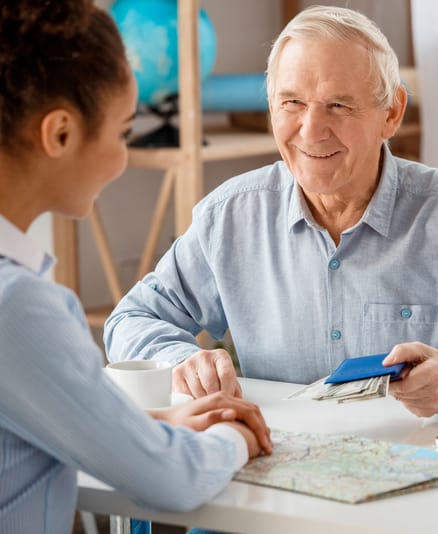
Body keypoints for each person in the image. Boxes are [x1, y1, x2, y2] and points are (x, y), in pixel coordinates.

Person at [104, 5, 438, 417]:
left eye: (339, 106)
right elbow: (131, 319)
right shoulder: (230, 217)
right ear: (272, 107)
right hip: (278, 464)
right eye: (292, 103)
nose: (311, 131)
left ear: (392, 113)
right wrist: (182, 360)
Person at [0, 2, 272, 532]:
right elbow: (172, 480)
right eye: (124, 131)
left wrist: (154, 424)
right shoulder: (18, 305)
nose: (124, 157)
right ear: (59, 134)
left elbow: (25, 421)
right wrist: (237, 434)